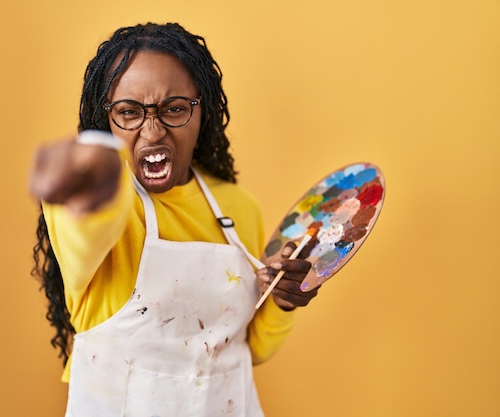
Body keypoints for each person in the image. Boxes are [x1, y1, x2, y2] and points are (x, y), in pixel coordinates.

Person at [29, 22, 320, 416]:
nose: (152, 131)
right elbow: (89, 223)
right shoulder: (102, 204)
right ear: (107, 120)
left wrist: (283, 301)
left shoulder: (238, 208)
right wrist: (89, 174)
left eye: (175, 109)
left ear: (203, 112)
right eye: (129, 112)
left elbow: (249, 349)